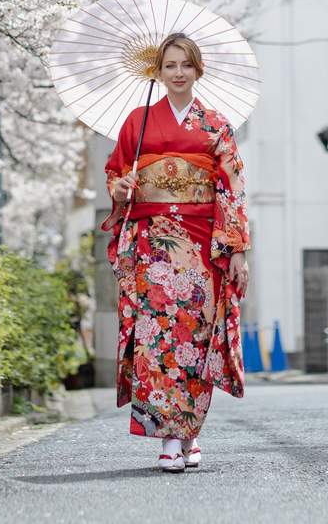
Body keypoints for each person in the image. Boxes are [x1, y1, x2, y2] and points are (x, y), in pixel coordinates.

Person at [101, 32, 250, 473]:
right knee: (157, 338)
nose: (178, 73)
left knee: (195, 337)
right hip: (152, 245)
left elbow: (233, 188)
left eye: (186, 64)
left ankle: (191, 433)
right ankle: (168, 439)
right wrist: (121, 186)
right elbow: (114, 172)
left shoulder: (216, 124)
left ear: (198, 69)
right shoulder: (138, 121)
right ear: (158, 71)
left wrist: (238, 249)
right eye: (170, 65)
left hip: (202, 244)